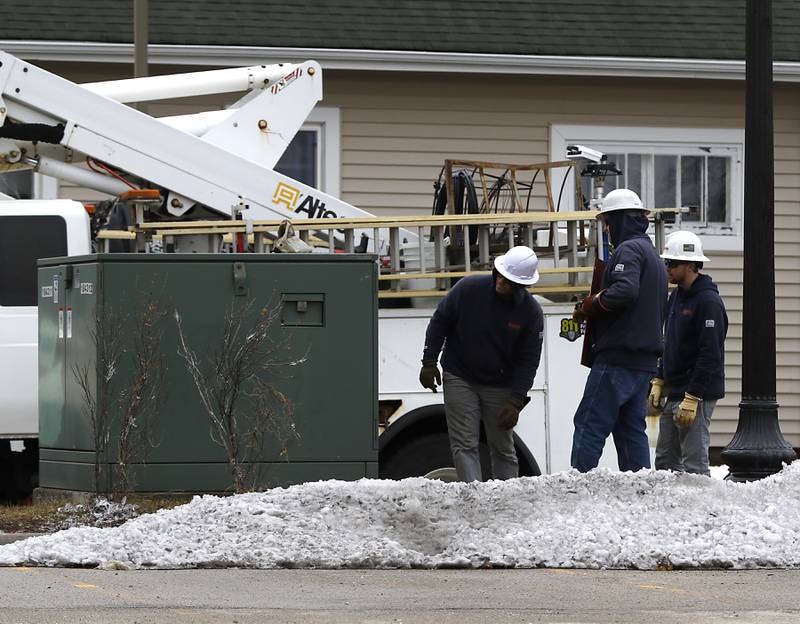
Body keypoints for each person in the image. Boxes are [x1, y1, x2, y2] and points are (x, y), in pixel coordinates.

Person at [419, 246, 544, 482]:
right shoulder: (468, 289)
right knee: (464, 443)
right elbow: (440, 321)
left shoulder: (531, 313)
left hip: (500, 384)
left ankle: (506, 497)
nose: (501, 283)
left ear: (521, 286)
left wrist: (515, 401)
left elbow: (528, 361)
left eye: (509, 282)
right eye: (500, 276)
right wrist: (429, 361)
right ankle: (473, 495)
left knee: (503, 447)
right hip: (460, 375)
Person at [570, 188, 667, 472]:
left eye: (608, 222)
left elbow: (625, 291)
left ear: (620, 220)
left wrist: (590, 304)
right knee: (629, 428)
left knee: (589, 422)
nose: (607, 229)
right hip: (643, 362)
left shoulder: (629, 250)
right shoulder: (652, 255)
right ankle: (639, 489)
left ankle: (577, 486)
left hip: (618, 358)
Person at [651, 231, 728, 476]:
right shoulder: (676, 297)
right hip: (676, 391)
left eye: (671, 263)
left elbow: (710, 354)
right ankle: (673, 511)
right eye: (666, 263)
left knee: (694, 465)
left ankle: (704, 512)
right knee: (665, 461)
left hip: (698, 394)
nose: (667, 269)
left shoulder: (708, 302)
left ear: (690, 265)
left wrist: (693, 396)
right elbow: (669, 342)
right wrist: (660, 378)